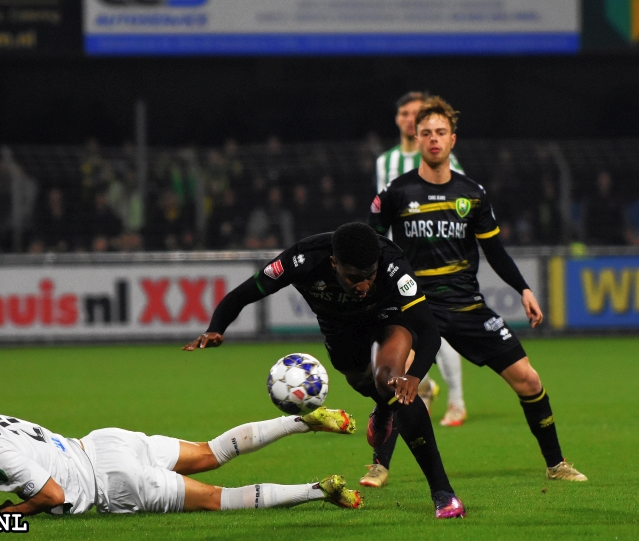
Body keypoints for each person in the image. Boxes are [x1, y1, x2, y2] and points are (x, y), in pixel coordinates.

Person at [367, 96, 587, 488]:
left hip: (467, 305)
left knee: (529, 381)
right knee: (399, 382)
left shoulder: (472, 193)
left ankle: (556, 464)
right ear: (416, 140)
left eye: (440, 133)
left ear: (453, 139)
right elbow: (370, 244)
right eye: (426, 134)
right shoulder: (397, 193)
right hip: (416, 305)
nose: (433, 140)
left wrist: (523, 288)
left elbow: (495, 250)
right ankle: (378, 465)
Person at [184, 222, 465, 519]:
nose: (364, 286)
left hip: (388, 317)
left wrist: (414, 375)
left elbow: (429, 331)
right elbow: (246, 291)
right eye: (354, 278)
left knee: (394, 384)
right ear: (334, 263)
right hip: (340, 330)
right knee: (362, 380)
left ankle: (443, 494)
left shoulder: (393, 265)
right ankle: (383, 410)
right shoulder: (302, 260)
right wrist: (217, 327)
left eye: (370, 276)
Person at [0, 391, 361, 516]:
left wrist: (14, 511)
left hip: (110, 482)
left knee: (217, 497)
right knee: (210, 452)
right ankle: (302, 420)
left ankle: (317, 491)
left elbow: (52, 495)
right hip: (103, 442)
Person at [376, 91, 468, 434]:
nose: (409, 117)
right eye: (404, 112)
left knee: (440, 332)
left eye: (415, 112)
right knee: (407, 332)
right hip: (402, 262)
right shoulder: (385, 163)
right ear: (401, 120)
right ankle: (425, 388)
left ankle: (456, 400)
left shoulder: (446, 157)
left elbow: (460, 202)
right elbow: (381, 212)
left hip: (441, 261)